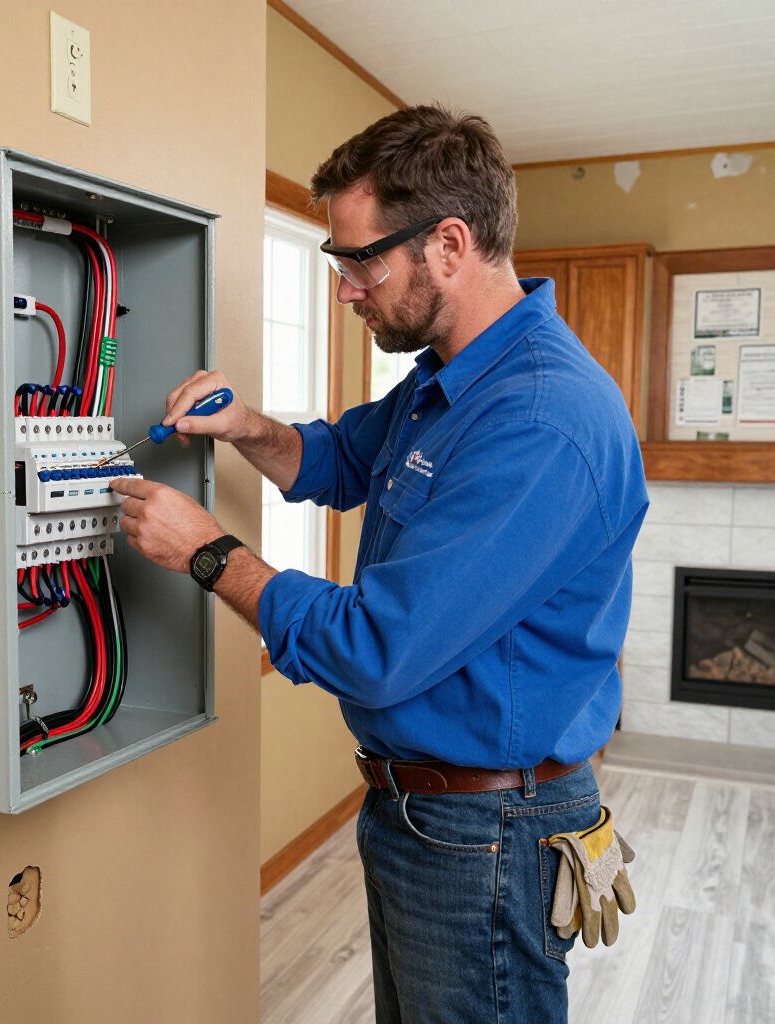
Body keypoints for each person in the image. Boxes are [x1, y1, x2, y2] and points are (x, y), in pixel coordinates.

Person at [110, 104, 649, 1024]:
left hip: (490, 832)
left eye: (360, 259)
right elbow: (338, 461)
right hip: (424, 815)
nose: (345, 289)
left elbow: (377, 645)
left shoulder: (540, 421)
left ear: (448, 243)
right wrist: (244, 426)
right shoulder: (451, 378)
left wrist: (206, 552)